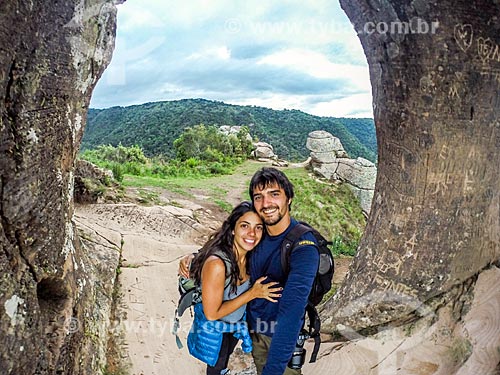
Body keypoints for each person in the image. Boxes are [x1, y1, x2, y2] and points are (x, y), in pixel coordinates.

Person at [180, 168, 320, 375]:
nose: (266, 204)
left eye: (274, 194)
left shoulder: (303, 248)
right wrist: (196, 257)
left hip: (275, 338)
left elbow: (290, 314)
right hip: (249, 328)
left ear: (289, 198)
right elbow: (231, 245)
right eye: (258, 197)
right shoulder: (260, 233)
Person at [186, 201, 282, 375]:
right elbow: (212, 313)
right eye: (245, 226)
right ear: (232, 229)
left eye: (258, 227)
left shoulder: (252, 257)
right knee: (216, 369)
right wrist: (252, 294)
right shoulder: (218, 265)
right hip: (215, 331)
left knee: (221, 365)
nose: (252, 233)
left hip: (233, 327)